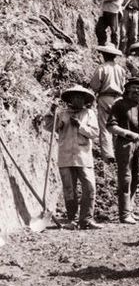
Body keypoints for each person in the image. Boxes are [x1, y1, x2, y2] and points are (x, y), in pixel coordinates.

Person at [44, 86, 102, 230]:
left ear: (85, 100)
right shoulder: (62, 113)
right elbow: (49, 127)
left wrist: (80, 126)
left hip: (83, 157)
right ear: (70, 99)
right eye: (75, 97)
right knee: (69, 189)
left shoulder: (89, 113)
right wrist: (52, 111)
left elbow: (95, 133)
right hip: (66, 156)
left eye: (81, 97)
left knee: (89, 187)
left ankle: (86, 219)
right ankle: (72, 219)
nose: (78, 100)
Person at [107, 77, 139, 224]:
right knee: (125, 178)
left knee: (137, 178)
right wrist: (128, 134)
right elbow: (111, 126)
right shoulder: (119, 105)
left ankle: (130, 209)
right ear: (127, 89)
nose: (136, 91)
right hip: (124, 144)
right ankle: (124, 213)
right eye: (133, 87)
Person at [90, 44, 127, 163]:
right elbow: (124, 85)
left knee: (105, 126)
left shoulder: (102, 68)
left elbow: (95, 85)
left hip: (105, 97)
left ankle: (108, 154)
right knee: (116, 125)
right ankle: (119, 151)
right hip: (118, 99)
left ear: (104, 55)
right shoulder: (121, 69)